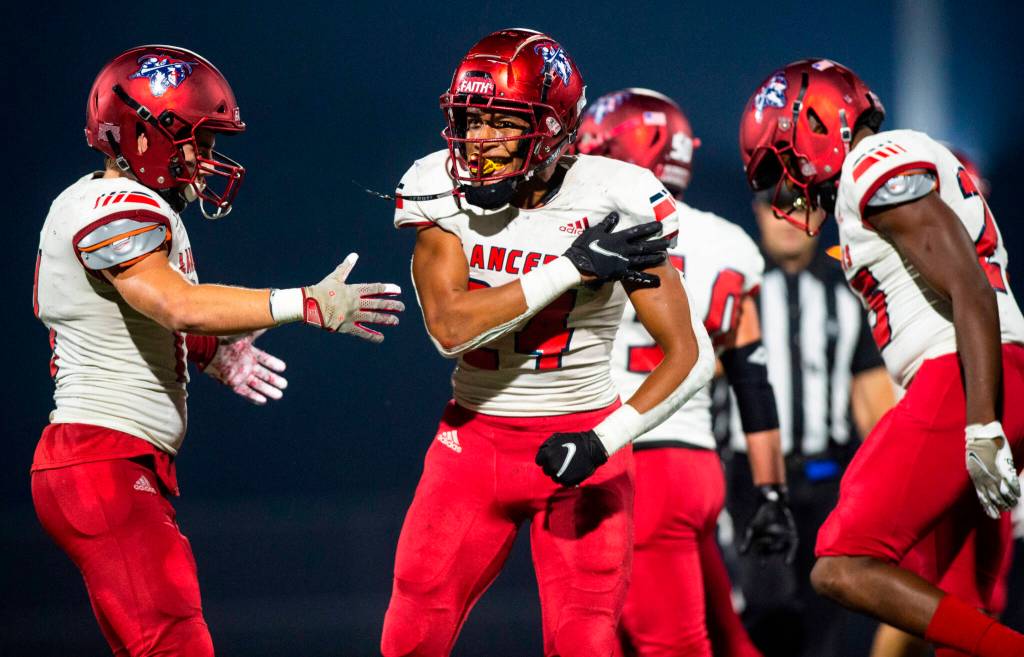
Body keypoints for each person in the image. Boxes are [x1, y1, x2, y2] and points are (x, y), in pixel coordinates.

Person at [32, 45, 403, 657]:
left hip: (105, 459)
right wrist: (301, 303)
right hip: (100, 457)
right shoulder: (113, 207)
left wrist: (207, 352)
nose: (206, 160)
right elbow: (173, 303)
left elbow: (143, 313)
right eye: (196, 141)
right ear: (148, 133)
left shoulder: (120, 204)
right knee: (177, 644)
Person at [382, 29, 715, 657]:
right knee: (409, 637)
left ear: (558, 127)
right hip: (471, 445)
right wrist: (569, 267)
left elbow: (689, 355)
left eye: (503, 120)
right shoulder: (437, 186)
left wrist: (603, 439)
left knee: (585, 643)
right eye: (469, 118)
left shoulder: (615, 195)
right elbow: (450, 328)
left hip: (581, 444)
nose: (479, 139)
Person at [738, 58, 1024, 656]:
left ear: (815, 124)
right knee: (961, 606)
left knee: (841, 562)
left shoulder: (873, 163)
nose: (790, 188)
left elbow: (968, 286)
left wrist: (981, 424)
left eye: (786, 162)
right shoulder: (881, 168)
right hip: (987, 372)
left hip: (962, 376)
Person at [576, 88, 793, 657]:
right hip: (697, 467)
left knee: (668, 646)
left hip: (632, 461)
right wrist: (771, 491)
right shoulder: (730, 243)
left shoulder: (586, 236)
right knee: (728, 638)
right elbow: (753, 382)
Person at [714, 187, 895, 657]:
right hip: (750, 478)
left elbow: (872, 395)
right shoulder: (737, 284)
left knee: (824, 613)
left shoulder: (849, 290)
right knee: (764, 608)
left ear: (821, 214)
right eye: (779, 208)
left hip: (827, 475)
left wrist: (890, 487)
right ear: (757, 212)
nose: (790, 219)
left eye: (802, 206)